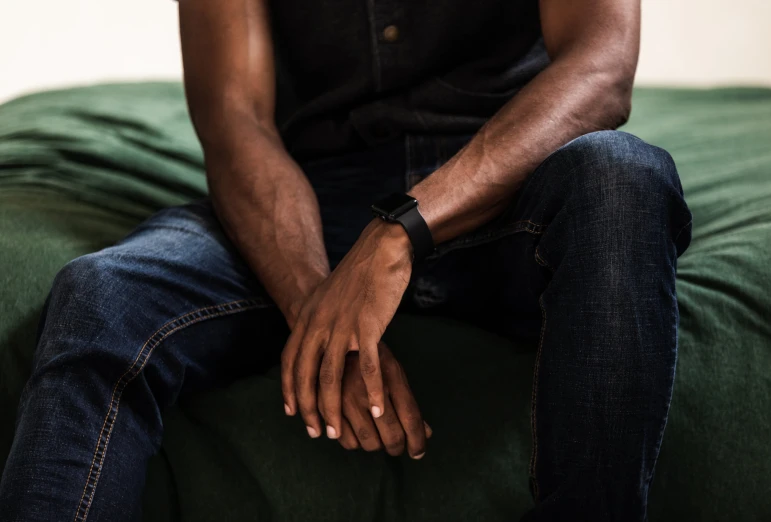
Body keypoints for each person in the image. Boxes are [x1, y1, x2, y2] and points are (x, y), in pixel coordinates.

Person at [0, 0, 693, 520]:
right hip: (307, 199)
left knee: (622, 177)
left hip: (506, 178)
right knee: (103, 295)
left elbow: (600, 69)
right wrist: (318, 308)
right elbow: (235, 114)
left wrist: (398, 235)